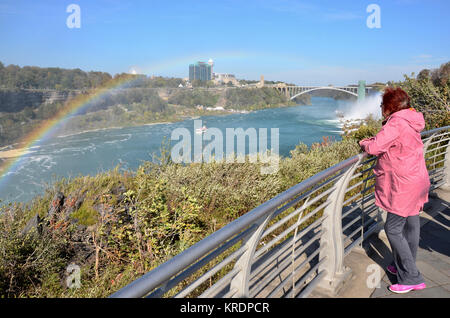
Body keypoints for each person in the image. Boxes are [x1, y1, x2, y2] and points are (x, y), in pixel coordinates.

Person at [359, 87, 429, 294]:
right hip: (416, 180)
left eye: (382, 105)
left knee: (393, 229)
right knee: (412, 225)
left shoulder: (397, 122)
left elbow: (374, 147)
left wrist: (364, 142)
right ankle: (403, 265)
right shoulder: (411, 119)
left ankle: (411, 277)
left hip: (403, 184)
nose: (381, 108)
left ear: (390, 106)